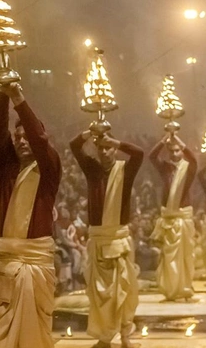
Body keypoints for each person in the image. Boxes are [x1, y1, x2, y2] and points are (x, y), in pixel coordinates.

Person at [0, 83, 61, 347]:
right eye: (17, 138)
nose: (21, 141)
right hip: (5, 261)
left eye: (26, 136)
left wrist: (19, 98)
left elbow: (40, 141)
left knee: (32, 337)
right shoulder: (7, 170)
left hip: (35, 263)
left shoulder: (49, 170)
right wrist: (1, 94)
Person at [70, 130, 144, 348]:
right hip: (98, 239)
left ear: (114, 149)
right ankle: (104, 338)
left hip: (118, 240)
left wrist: (117, 141)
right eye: (100, 147)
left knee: (123, 291)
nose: (104, 151)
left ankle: (125, 336)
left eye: (108, 147)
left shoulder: (125, 170)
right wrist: (88, 133)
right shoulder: (92, 169)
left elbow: (139, 154)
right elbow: (74, 146)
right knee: (99, 295)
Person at [148, 133, 198, 301]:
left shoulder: (188, 169)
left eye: (178, 151)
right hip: (169, 219)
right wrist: (164, 140)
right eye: (172, 151)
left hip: (183, 218)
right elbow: (152, 156)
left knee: (185, 256)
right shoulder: (166, 168)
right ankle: (170, 289)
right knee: (168, 256)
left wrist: (179, 140)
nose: (175, 154)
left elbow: (194, 160)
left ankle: (184, 288)